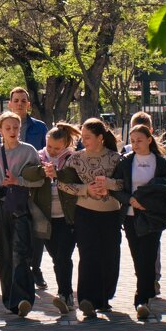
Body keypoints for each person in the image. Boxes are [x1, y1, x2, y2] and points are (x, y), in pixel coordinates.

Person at [56, 117, 123, 319]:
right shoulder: (75, 159)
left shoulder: (116, 158)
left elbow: (124, 184)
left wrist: (108, 184)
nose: (83, 141)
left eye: (88, 137)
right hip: (84, 213)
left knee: (110, 256)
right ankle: (86, 300)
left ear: (100, 138)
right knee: (88, 255)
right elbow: (62, 184)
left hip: (111, 214)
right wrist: (85, 189)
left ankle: (105, 299)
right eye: (82, 137)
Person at [111, 124, 166, 320]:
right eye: (132, 141)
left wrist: (150, 203)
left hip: (153, 216)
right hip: (131, 215)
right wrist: (129, 199)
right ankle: (147, 292)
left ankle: (141, 300)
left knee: (148, 256)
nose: (135, 144)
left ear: (149, 140)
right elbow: (116, 187)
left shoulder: (160, 163)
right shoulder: (126, 162)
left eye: (139, 140)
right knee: (137, 256)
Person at [0, 112, 43, 317]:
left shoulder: (29, 151)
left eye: (16, 127)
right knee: (5, 255)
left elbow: (40, 180)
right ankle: (10, 301)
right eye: (8, 128)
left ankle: (24, 298)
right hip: (0, 208)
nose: (13, 131)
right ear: (0, 130)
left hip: (21, 208)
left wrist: (18, 181)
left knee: (22, 254)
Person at [0, 87, 49, 288]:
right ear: (10, 104)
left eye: (23, 100)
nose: (19, 103)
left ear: (28, 104)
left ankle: (35, 267)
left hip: (33, 184)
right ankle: (22, 271)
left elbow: (45, 152)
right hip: (10, 188)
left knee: (37, 229)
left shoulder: (40, 127)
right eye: (16, 100)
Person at [28, 122, 81, 314]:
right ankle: (65, 294)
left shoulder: (73, 158)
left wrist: (57, 173)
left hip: (67, 218)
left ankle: (65, 295)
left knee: (63, 256)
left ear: (66, 145)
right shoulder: (37, 156)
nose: (52, 151)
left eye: (57, 148)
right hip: (45, 218)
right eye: (49, 146)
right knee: (55, 256)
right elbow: (27, 173)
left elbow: (73, 177)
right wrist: (42, 171)